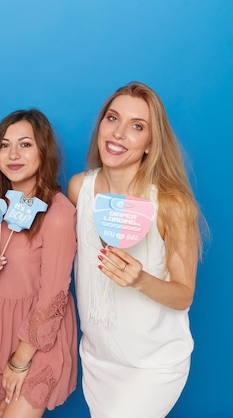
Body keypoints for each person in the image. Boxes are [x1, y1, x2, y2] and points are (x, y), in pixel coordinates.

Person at [67, 82, 204, 418]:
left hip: (152, 364)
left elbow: (184, 295)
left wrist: (141, 279)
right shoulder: (78, 188)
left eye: (137, 126)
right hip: (99, 358)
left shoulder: (171, 204)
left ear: (149, 144)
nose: (119, 133)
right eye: (113, 118)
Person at [0, 110, 78, 418]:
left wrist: (20, 360)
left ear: (43, 151)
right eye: (5, 145)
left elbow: (53, 296)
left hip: (36, 337)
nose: (13, 154)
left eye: (25, 144)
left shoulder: (58, 213)